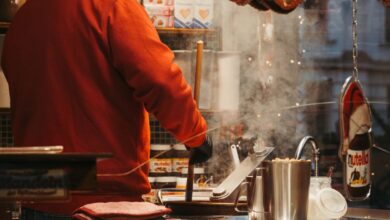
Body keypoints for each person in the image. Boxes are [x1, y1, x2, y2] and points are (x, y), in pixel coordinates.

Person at [1, 0, 212, 218]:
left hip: (37, 200)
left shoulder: (23, 18)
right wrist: (195, 135)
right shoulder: (113, 6)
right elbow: (161, 82)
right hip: (103, 204)